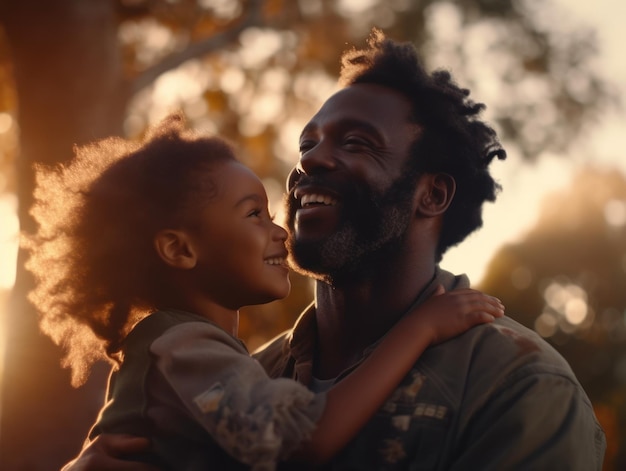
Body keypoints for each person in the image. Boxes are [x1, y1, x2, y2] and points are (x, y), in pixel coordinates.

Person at [62, 30, 606, 470]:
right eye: (307, 144)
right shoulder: (240, 377)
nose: (311, 161)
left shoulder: (516, 386)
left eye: (355, 143)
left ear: (432, 194)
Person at [25, 113, 504, 471]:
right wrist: (419, 329)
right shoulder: (183, 348)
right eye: (254, 214)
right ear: (180, 249)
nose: (282, 232)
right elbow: (304, 439)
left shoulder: (203, 352)